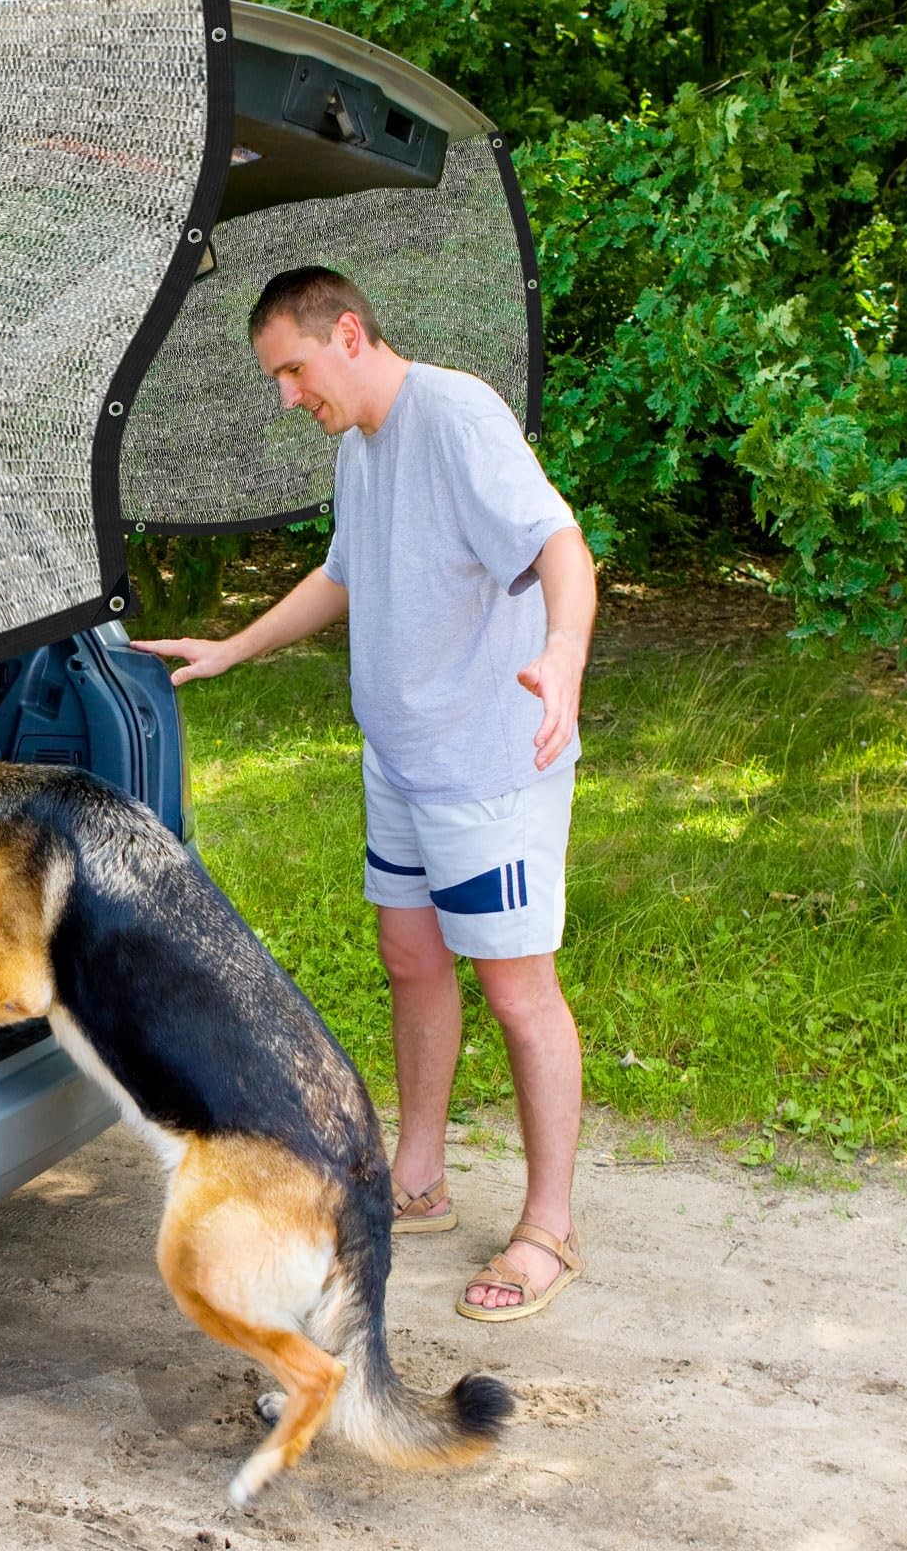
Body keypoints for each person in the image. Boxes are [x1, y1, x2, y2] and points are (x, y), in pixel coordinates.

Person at [131, 267, 596, 1322]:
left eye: (292, 370)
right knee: (408, 956)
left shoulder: (456, 413)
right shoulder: (359, 446)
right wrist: (237, 645)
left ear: (347, 331)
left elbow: (560, 544)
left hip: (486, 765)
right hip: (402, 760)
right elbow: (346, 572)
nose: (288, 396)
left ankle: (549, 1227)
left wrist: (563, 653)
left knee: (518, 991)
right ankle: (418, 1178)